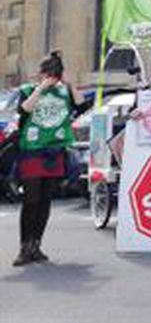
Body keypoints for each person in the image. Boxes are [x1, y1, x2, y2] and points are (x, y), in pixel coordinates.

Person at [11, 52, 86, 267]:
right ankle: (24, 247)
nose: (52, 78)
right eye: (48, 73)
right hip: (33, 150)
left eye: (56, 74)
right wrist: (42, 87)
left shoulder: (64, 92)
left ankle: (36, 245)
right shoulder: (28, 90)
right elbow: (24, 110)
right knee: (31, 199)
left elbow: (81, 107)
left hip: (54, 150)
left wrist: (70, 84)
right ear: (40, 73)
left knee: (45, 200)